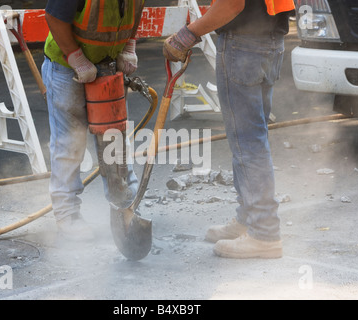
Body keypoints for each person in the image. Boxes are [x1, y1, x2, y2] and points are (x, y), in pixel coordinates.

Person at [163, 0, 295, 259]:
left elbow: (232, 5)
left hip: (243, 46)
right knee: (252, 136)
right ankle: (248, 218)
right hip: (269, 42)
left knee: (248, 141)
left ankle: (264, 233)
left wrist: (187, 35)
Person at [41, 0, 144, 240]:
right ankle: (68, 215)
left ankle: (125, 206)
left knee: (114, 143)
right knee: (70, 144)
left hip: (106, 64)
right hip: (66, 66)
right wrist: (76, 57)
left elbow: (135, 9)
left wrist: (129, 44)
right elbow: (54, 17)